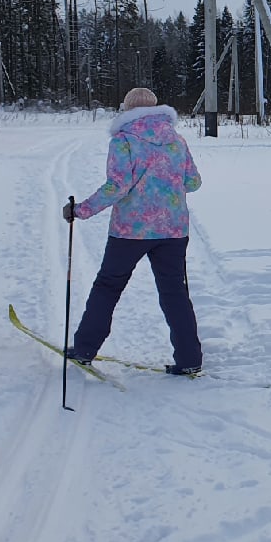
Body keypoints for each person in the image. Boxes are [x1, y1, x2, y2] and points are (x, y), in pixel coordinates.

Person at [65, 87, 203, 375]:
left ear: (127, 110)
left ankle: (84, 350)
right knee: (174, 292)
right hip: (173, 230)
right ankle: (189, 359)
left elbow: (117, 186)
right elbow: (193, 183)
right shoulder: (176, 140)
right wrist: (168, 185)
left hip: (130, 231)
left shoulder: (124, 140)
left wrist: (81, 210)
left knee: (108, 286)